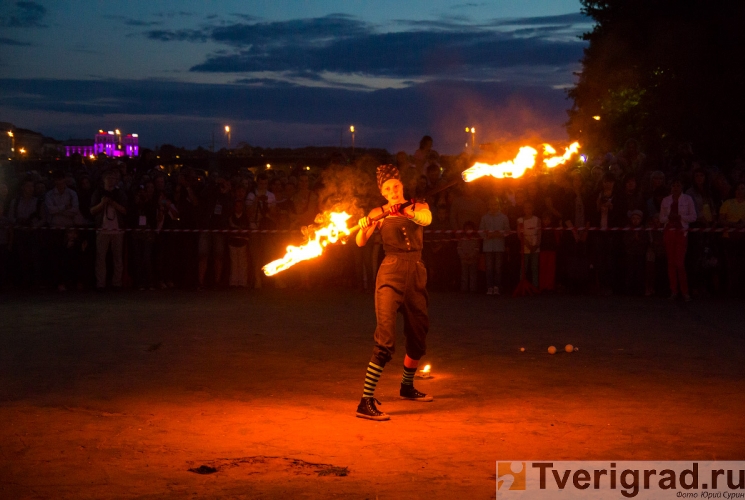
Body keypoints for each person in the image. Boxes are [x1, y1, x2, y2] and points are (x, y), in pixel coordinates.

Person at [354, 164, 433, 421]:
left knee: (418, 335)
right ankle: (366, 400)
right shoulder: (379, 212)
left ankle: (406, 387)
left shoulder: (417, 205)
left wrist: (407, 212)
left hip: (416, 272)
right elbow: (360, 241)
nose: (392, 191)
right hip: (390, 272)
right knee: (386, 339)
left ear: (401, 185)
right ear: (382, 191)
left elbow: (426, 220)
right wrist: (366, 223)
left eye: (396, 186)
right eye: (387, 189)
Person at [659, 178, 697, 301]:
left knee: (679, 263)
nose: (676, 188)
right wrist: (669, 218)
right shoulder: (666, 200)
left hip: (681, 233)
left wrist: (680, 217)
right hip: (669, 232)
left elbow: (693, 217)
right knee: (671, 263)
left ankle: (685, 291)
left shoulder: (687, 199)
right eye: (673, 185)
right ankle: (674, 290)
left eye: (678, 185)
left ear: (682, 187)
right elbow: (661, 219)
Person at [90, 169, 128, 290]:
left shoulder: (120, 193)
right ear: (104, 179)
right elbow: (92, 210)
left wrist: (112, 203)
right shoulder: (98, 193)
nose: (112, 181)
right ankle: (100, 283)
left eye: (114, 178)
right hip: (102, 229)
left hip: (117, 229)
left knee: (118, 257)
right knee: (100, 257)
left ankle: (117, 282)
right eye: (109, 178)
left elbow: (125, 210)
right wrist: (102, 204)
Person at [719, 181, 745, 295]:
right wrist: (733, 225)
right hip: (729, 237)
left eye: (743, 189)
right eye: (738, 189)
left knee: (742, 263)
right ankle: (730, 289)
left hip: (743, 237)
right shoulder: (728, 203)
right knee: (730, 264)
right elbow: (722, 219)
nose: (740, 191)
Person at [479, 197, 509, 295]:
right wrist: (486, 235)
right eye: (491, 204)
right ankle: (489, 287)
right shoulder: (484, 218)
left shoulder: (504, 217)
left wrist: (497, 235)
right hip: (488, 246)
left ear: (498, 205)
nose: (493, 206)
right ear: (489, 205)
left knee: (498, 268)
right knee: (489, 268)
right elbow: (480, 231)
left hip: (499, 246)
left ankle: (497, 286)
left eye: (495, 204)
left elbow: (507, 231)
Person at [517, 201, 541, 288]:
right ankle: (522, 285)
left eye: (530, 208)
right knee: (524, 267)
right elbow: (520, 234)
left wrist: (537, 244)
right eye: (526, 208)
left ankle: (535, 286)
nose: (528, 210)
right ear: (523, 209)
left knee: (534, 267)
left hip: (535, 245)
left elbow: (539, 233)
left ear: (533, 209)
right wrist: (527, 244)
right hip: (525, 245)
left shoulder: (537, 219)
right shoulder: (520, 220)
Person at [457, 220, 480, 293]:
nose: (468, 230)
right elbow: (459, 248)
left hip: (473, 259)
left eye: (470, 228)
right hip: (463, 259)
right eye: (467, 228)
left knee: (473, 275)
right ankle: (464, 289)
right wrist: (463, 256)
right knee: (464, 275)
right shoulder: (461, 238)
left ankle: (473, 289)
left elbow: (477, 249)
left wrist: (471, 256)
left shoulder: (476, 239)